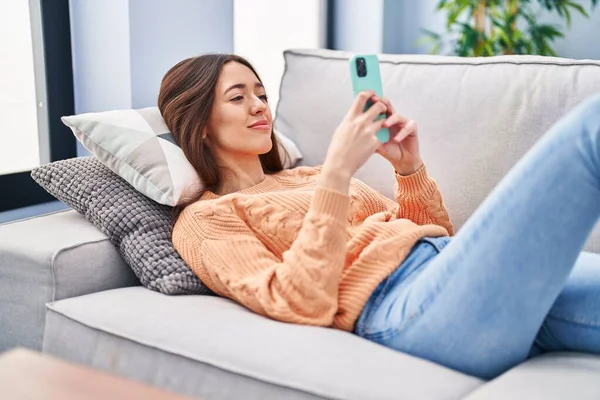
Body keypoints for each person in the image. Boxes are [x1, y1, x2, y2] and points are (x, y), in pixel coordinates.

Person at [158, 53, 600, 380]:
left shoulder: (309, 176)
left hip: (451, 274)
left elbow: (433, 233)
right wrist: (336, 173)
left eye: (261, 93)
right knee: (589, 131)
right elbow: (296, 301)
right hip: (405, 310)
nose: (259, 106)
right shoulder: (206, 219)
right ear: (199, 125)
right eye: (239, 97)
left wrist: (408, 169)